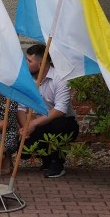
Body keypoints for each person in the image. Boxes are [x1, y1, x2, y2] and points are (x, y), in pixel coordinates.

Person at [17, 44, 80, 178]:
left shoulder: (60, 79)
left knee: (58, 125)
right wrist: (26, 127)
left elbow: (60, 110)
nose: (25, 63)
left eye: (29, 61)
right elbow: (21, 107)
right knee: (23, 149)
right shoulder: (27, 80)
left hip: (64, 123)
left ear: (40, 64)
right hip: (42, 122)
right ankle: (46, 160)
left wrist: (33, 124)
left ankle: (57, 163)